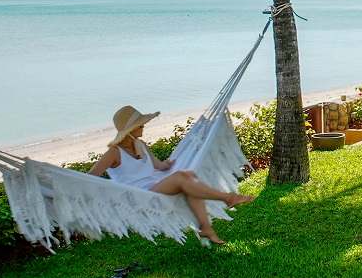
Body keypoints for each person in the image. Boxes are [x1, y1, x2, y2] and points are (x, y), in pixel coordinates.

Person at [89, 104, 252, 245]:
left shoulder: (141, 145)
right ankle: (227, 198)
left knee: (188, 177)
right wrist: (109, 192)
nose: (144, 126)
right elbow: (90, 176)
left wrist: (184, 155)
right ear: (130, 129)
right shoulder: (113, 153)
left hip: (155, 185)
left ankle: (206, 228)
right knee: (182, 178)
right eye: (140, 125)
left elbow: (159, 166)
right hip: (139, 195)